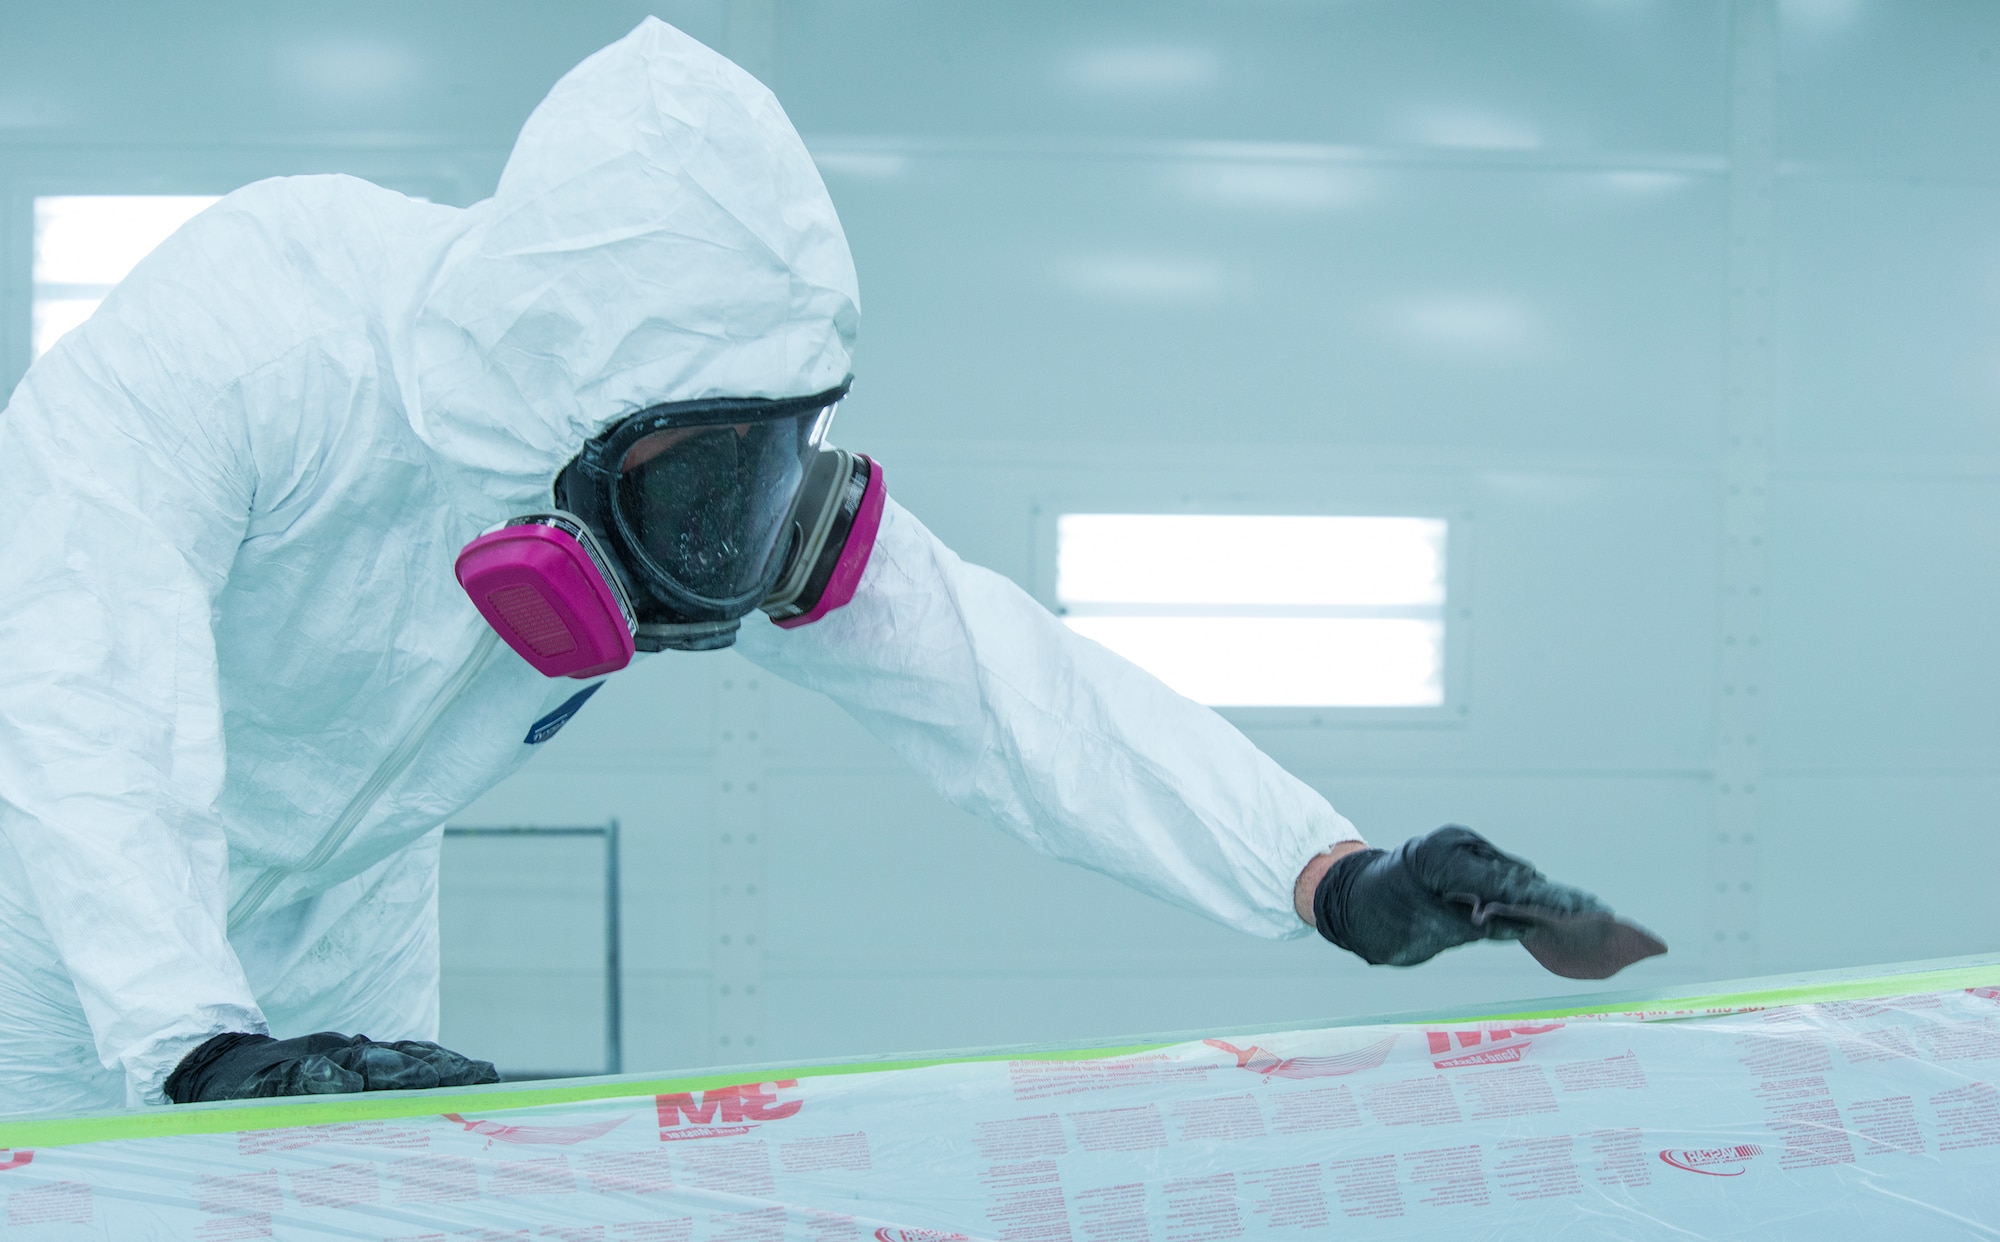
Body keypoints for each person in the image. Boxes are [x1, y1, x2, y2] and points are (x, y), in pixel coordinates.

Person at [0, 19, 1662, 1117]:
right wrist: (196, 1044)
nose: (738, 531)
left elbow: (1012, 687)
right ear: (568, 392)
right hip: (45, 905)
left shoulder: (675, 469)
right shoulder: (255, 331)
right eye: (706, 472)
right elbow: (88, 703)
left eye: (766, 458)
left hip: (340, 942)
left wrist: (1328, 876)